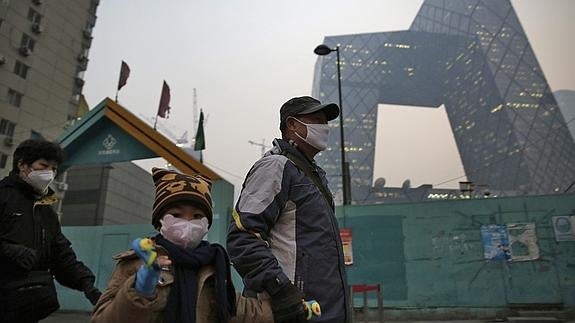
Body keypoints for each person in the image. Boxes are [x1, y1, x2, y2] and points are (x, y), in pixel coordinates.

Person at [92, 167, 273, 323]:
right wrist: (139, 291)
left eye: (196, 216)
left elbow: (242, 312)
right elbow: (102, 319)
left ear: (206, 224)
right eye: (176, 215)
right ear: (159, 221)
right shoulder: (137, 262)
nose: (187, 222)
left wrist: (293, 307)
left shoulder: (214, 264)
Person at [227, 96, 350, 323]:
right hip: (293, 311)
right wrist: (281, 290)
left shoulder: (313, 175)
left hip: (324, 312)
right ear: (292, 125)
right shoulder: (276, 166)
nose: (324, 128)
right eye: (316, 120)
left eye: (325, 122)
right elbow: (243, 236)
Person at [0, 139, 102, 323]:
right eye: (44, 165)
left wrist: (85, 282)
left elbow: (60, 254)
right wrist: (8, 250)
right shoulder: (3, 196)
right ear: (22, 165)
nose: (50, 173)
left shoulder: (46, 210)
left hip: (24, 305)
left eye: (54, 168)